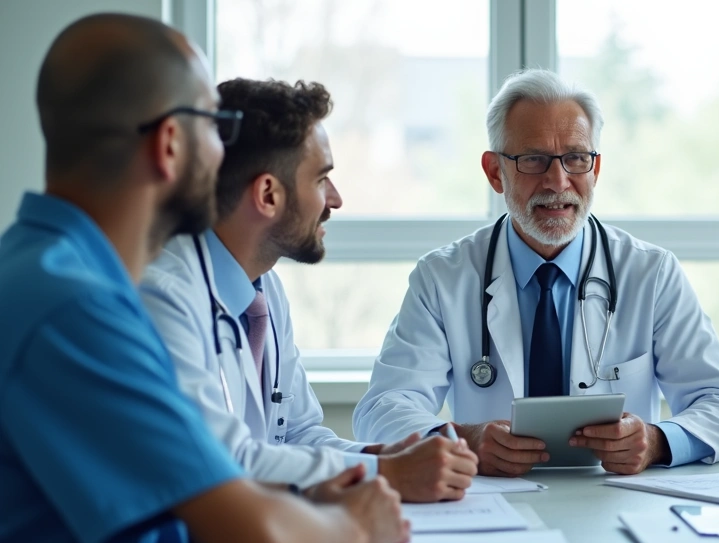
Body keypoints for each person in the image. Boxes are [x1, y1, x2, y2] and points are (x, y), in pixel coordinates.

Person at [0, 13, 408, 543]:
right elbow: (256, 540)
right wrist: (358, 522)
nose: (226, 150)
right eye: (214, 125)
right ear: (170, 144)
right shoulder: (74, 310)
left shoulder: (56, 273)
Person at [354, 69, 719, 476]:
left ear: (595, 170)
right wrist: (462, 439)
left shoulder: (651, 273)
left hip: (615, 503)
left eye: (576, 158)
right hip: (492, 505)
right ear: (495, 172)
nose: (558, 180)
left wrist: (656, 441)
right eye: (534, 160)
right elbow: (381, 409)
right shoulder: (443, 278)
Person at [140, 77, 478, 502]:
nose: (334, 200)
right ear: (268, 194)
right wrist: (386, 472)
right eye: (321, 180)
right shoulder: (164, 298)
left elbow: (297, 434)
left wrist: (382, 453)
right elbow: (220, 462)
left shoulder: (265, 292)